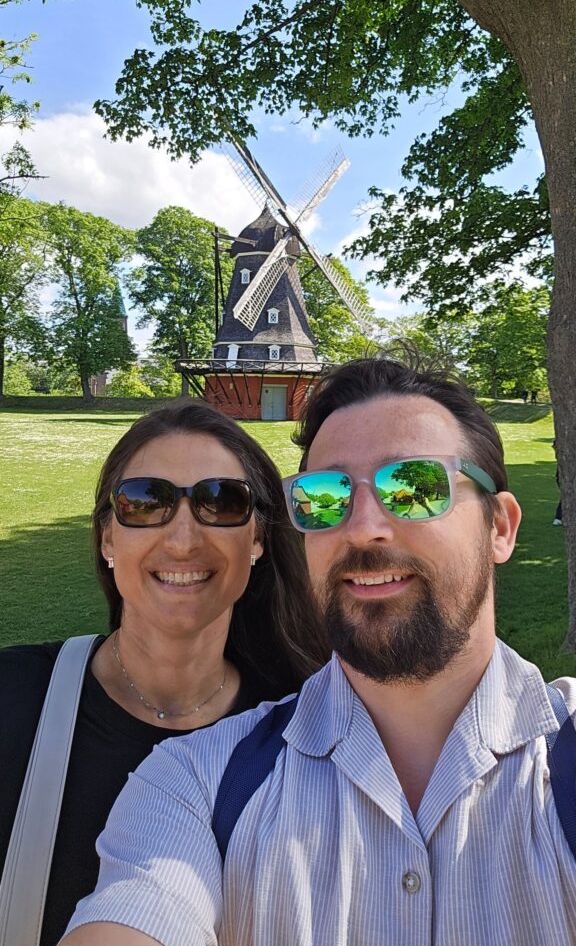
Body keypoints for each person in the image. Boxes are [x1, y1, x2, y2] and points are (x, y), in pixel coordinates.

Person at [62, 358, 576, 946]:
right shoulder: (195, 784)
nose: (362, 529)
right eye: (324, 496)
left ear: (500, 528)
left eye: (415, 487)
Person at [0, 399, 326, 946]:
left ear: (259, 539)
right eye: (145, 502)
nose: (181, 540)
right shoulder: (11, 696)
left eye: (221, 503)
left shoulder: (308, 734)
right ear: (107, 537)